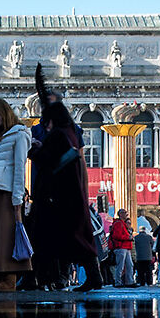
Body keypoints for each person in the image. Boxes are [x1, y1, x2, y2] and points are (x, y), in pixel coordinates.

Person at [26, 67, 102, 290]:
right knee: (71, 238)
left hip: (58, 198)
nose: (45, 124)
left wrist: (34, 149)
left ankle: (41, 279)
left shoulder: (58, 135)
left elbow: (49, 160)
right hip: (68, 197)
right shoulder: (68, 133)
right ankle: (84, 277)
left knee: (51, 238)